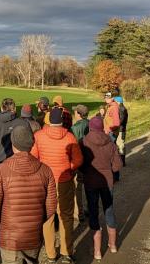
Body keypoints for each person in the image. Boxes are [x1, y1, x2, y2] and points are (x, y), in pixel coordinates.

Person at [0, 125, 57, 264]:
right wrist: (37, 222)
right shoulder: (45, 170)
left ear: (13, 144)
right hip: (33, 235)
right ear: (31, 144)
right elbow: (51, 205)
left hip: (10, 238)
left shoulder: (1, 170)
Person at [31, 108, 83, 263]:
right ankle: (67, 252)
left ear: (48, 120)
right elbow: (79, 160)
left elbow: (33, 158)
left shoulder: (38, 136)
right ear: (62, 121)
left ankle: (51, 253)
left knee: (47, 218)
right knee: (66, 216)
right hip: (64, 181)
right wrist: (70, 168)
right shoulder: (70, 137)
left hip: (46, 182)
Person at [0, 98, 30, 256]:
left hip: (1, 167)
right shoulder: (22, 123)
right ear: (14, 108)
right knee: (19, 204)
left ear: (1, 107)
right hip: (20, 167)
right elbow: (30, 142)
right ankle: (19, 241)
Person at [81, 117, 123, 259]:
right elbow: (117, 165)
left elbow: (80, 163)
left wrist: (85, 171)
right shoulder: (110, 142)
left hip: (91, 182)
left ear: (91, 128)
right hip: (107, 181)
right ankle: (113, 245)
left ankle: (97, 251)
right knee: (109, 211)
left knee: (93, 212)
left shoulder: (84, 142)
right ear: (101, 128)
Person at [70, 104, 90, 222]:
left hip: (80, 160)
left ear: (78, 114)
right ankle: (90, 208)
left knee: (78, 187)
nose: (74, 114)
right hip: (90, 160)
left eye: (75, 112)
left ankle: (79, 213)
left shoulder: (75, 128)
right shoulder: (90, 123)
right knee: (89, 185)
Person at [114, 96, 128, 167]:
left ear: (118, 101)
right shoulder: (121, 108)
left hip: (121, 130)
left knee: (121, 145)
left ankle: (122, 162)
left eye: (115, 101)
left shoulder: (122, 109)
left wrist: (114, 124)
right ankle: (121, 161)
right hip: (120, 130)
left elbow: (121, 121)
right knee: (119, 145)